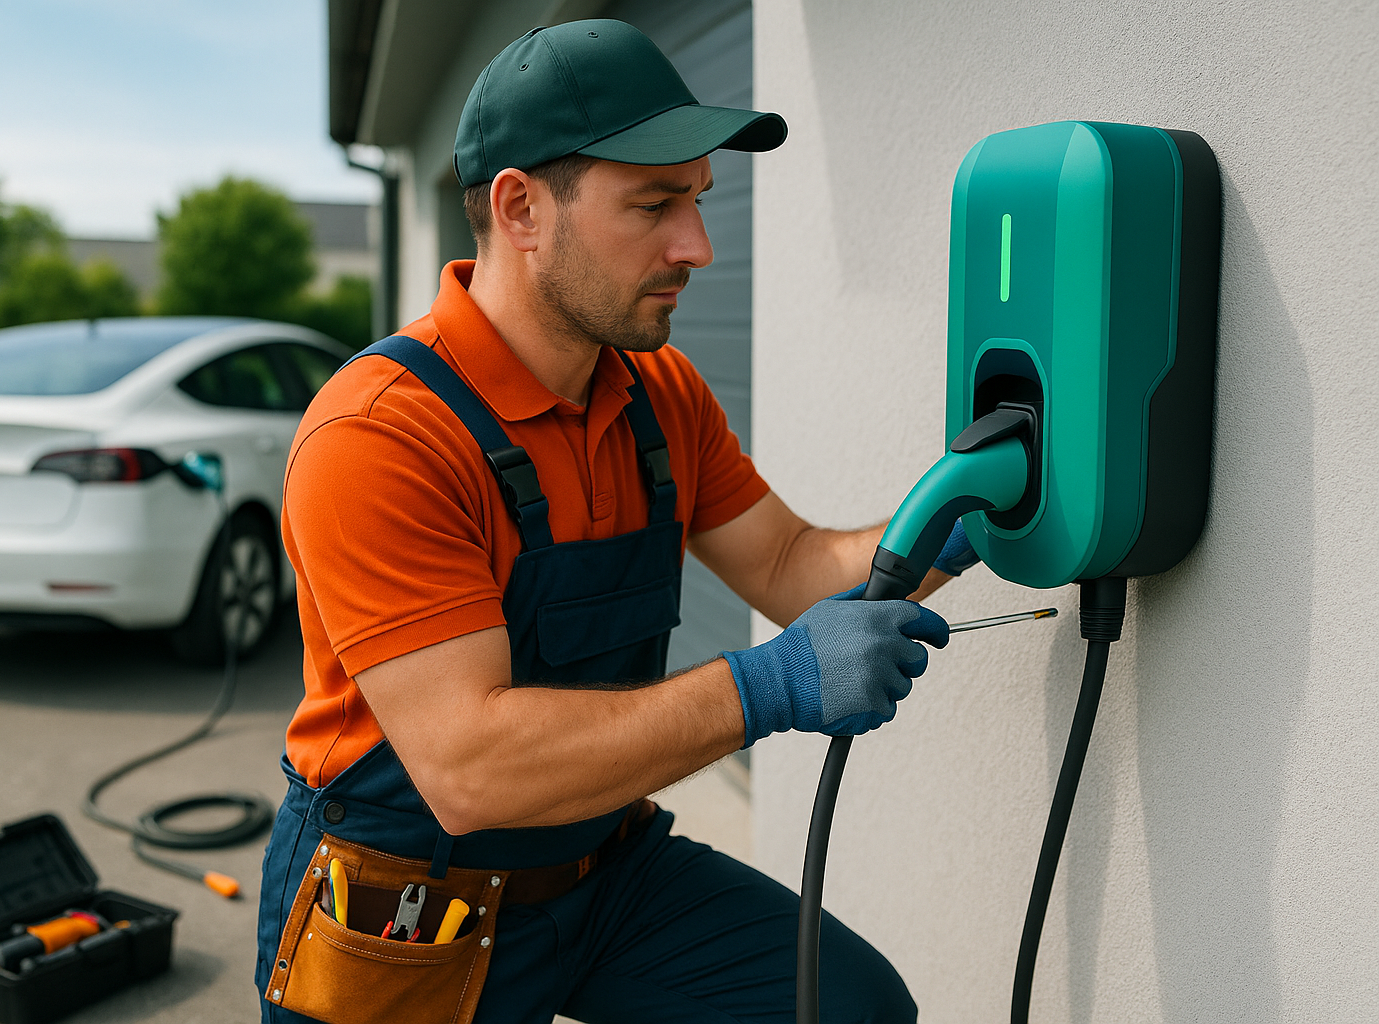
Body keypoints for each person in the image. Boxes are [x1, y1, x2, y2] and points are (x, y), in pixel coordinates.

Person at [256, 19, 978, 1024]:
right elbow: (469, 765)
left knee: (848, 1006)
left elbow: (789, 562)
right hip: (404, 909)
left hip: (600, 875)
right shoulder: (382, 434)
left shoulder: (658, 393)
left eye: (697, 198)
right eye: (654, 204)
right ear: (521, 209)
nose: (699, 246)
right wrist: (770, 684)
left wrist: (963, 509)